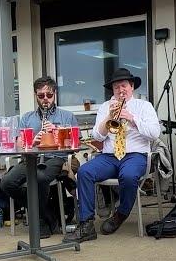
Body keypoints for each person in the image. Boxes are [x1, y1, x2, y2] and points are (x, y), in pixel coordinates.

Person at [64, 68, 161, 242]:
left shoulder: (144, 106)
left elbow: (154, 133)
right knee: (84, 172)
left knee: (129, 175)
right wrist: (109, 116)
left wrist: (131, 118)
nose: (120, 90)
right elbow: (97, 136)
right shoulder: (105, 107)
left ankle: (121, 213)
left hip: (135, 154)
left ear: (132, 87)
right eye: (116, 87)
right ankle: (86, 225)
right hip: (109, 156)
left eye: (123, 86)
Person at [0, 76, 77, 238]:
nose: (45, 99)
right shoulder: (27, 117)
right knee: (7, 183)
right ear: (36, 96)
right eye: (41, 96)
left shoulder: (67, 116)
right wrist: (32, 142)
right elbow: (19, 146)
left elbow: (73, 146)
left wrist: (57, 134)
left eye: (49, 95)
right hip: (31, 158)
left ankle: (40, 221)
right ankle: (46, 214)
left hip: (55, 157)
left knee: (40, 178)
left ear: (54, 94)